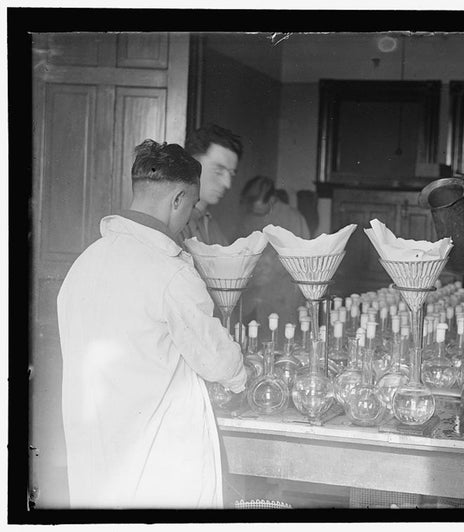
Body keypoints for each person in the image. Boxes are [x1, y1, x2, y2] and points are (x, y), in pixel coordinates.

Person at [57, 140, 247, 508]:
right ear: (178, 199)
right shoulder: (170, 272)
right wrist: (243, 374)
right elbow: (221, 363)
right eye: (190, 207)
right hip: (156, 469)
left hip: (96, 465)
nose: (188, 219)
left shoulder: (84, 264)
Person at [232, 175, 311, 326]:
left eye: (258, 205)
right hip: (254, 295)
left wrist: (271, 267)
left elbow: (302, 260)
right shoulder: (249, 217)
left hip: (283, 295)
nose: (254, 212)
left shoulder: (293, 218)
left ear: (272, 199)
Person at [179, 124, 244, 245]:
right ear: (192, 164)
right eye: (218, 171)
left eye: (231, 174)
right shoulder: (172, 222)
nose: (227, 184)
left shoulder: (210, 223)